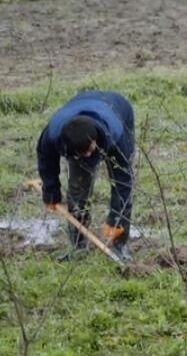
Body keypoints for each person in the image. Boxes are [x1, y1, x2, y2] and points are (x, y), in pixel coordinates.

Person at [36, 90, 137, 262]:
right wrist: (51, 191)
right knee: (78, 189)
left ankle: (121, 246)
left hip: (117, 108)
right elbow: (46, 159)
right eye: (84, 153)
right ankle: (78, 246)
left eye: (92, 150)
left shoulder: (116, 133)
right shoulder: (54, 133)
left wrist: (116, 220)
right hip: (80, 107)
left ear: (96, 139)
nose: (90, 155)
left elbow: (124, 181)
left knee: (120, 184)